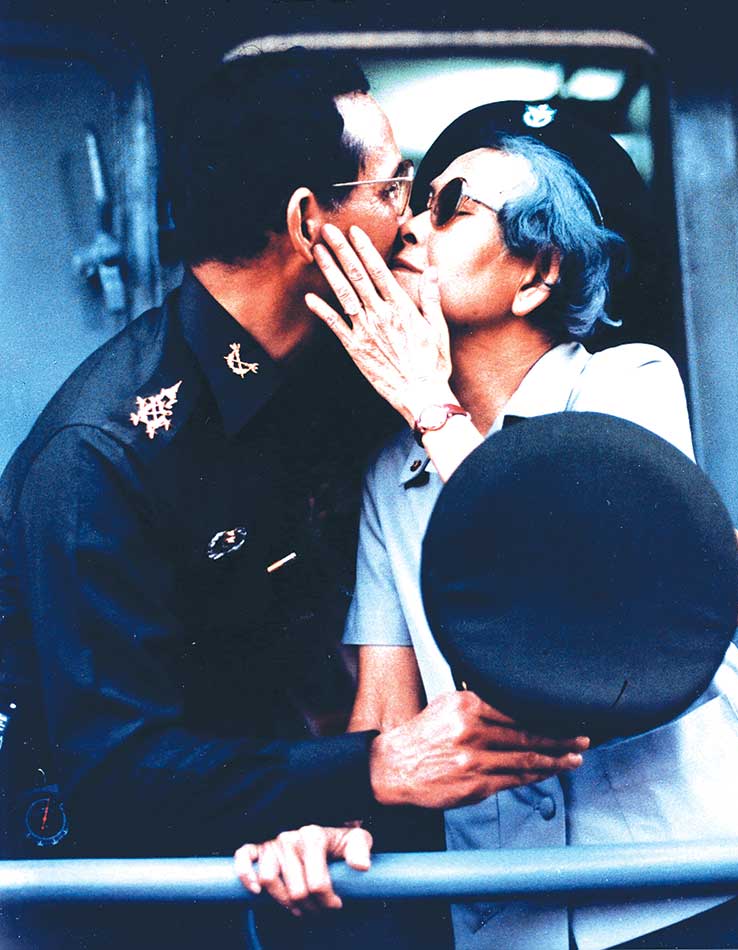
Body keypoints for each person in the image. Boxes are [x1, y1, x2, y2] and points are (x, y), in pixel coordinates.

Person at [0, 60, 587, 949]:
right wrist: (375, 766)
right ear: (310, 221)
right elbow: (117, 772)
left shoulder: (343, 374)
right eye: (392, 189)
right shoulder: (104, 454)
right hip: (117, 898)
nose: (409, 221)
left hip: (297, 837)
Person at [238, 120, 738, 949]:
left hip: (701, 889)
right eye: (416, 203)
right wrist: (329, 821)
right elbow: (385, 709)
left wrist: (432, 407)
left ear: (539, 274)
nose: (412, 227)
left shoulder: (627, 384)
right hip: (514, 913)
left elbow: (586, 608)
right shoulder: (394, 473)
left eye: (450, 207)